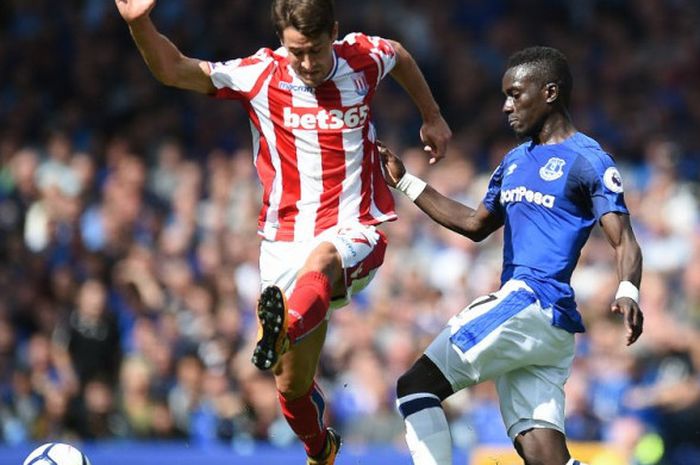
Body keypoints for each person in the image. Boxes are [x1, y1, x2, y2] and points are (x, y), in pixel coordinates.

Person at [114, 0, 451, 463]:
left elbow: (400, 56)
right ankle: (320, 448)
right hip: (283, 244)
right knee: (291, 388)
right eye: (297, 52)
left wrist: (431, 115)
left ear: (333, 31)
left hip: (357, 228)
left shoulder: (363, 56)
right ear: (281, 41)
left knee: (325, 259)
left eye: (315, 49)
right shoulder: (260, 75)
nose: (308, 64)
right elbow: (173, 69)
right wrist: (140, 25)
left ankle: (283, 328)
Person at [379, 46, 644, 465]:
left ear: (550, 92)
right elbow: (474, 223)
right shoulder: (514, 161)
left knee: (416, 387)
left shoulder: (588, 160)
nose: (506, 106)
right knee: (544, 456)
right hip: (544, 332)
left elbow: (623, 237)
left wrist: (628, 288)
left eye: (516, 94)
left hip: (532, 301)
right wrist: (407, 182)